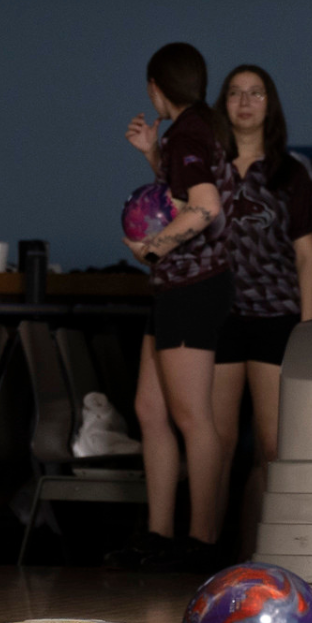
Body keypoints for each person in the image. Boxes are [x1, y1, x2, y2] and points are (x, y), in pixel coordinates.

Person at [113, 42, 232, 570]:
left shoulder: (189, 132)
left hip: (192, 286)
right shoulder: (191, 131)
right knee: (150, 409)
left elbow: (204, 207)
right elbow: (185, 190)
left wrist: (153, 246)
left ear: (156, 87)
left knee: (191, 417)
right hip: (174, 287)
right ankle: (159, 535)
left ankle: (201, 542)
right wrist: (150, 155)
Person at [208, 65, 312, 546]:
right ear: (224, 104)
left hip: (277, 316)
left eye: (255, 93)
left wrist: (309, 327)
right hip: (219, 317)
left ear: (269, 104)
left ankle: (265, 551)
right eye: (235, 93)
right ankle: (206, 547)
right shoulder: (208, 171)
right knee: (218, 444)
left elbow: (306, 256)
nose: (245, 101)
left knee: (273, 447)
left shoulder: (290, 171)